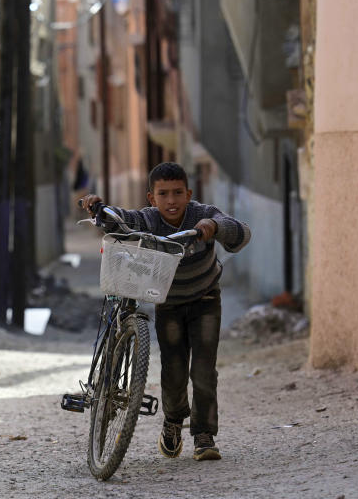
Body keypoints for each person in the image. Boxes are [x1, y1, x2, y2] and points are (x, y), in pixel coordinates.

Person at [80, 161, 251, 462]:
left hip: (206, 299)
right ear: (152, 198)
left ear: (189, 194)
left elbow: (241, 235)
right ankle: (173, 422)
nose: (171, 201)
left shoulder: (203, 214)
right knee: (173, 372)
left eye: (177, 193)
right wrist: (99, 209)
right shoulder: (149, 220)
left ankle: (203, 435)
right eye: (163, 194)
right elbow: (122, 220)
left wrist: (215, 228)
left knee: (203, 371)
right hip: (169, 304)